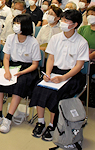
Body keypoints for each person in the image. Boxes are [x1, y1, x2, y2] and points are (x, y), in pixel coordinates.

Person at [30, 10, 88, 141]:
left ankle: (52, 125)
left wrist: (63, 78)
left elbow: (79, 66)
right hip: (55, 71)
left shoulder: (81, 42)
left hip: (72, 75)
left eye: (67, 21)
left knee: (56, 94)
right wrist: (48, 74)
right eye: (62, 20)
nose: (63, 23)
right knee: (39, 87)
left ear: (75, 24)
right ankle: (40, 121)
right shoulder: (56, 38)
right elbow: (50, 58)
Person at [0, 14, 40, 134]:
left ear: (25, 26)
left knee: (19, 85)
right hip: (11, 66)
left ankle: (8, 118)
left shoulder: (33, 42)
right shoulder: (11, 38)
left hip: (27, 70)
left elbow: (35, 65)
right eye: (15, 23)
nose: (15, 26)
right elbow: (6, 57)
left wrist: (21, 72)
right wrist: (6, 71)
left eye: (18, 23)